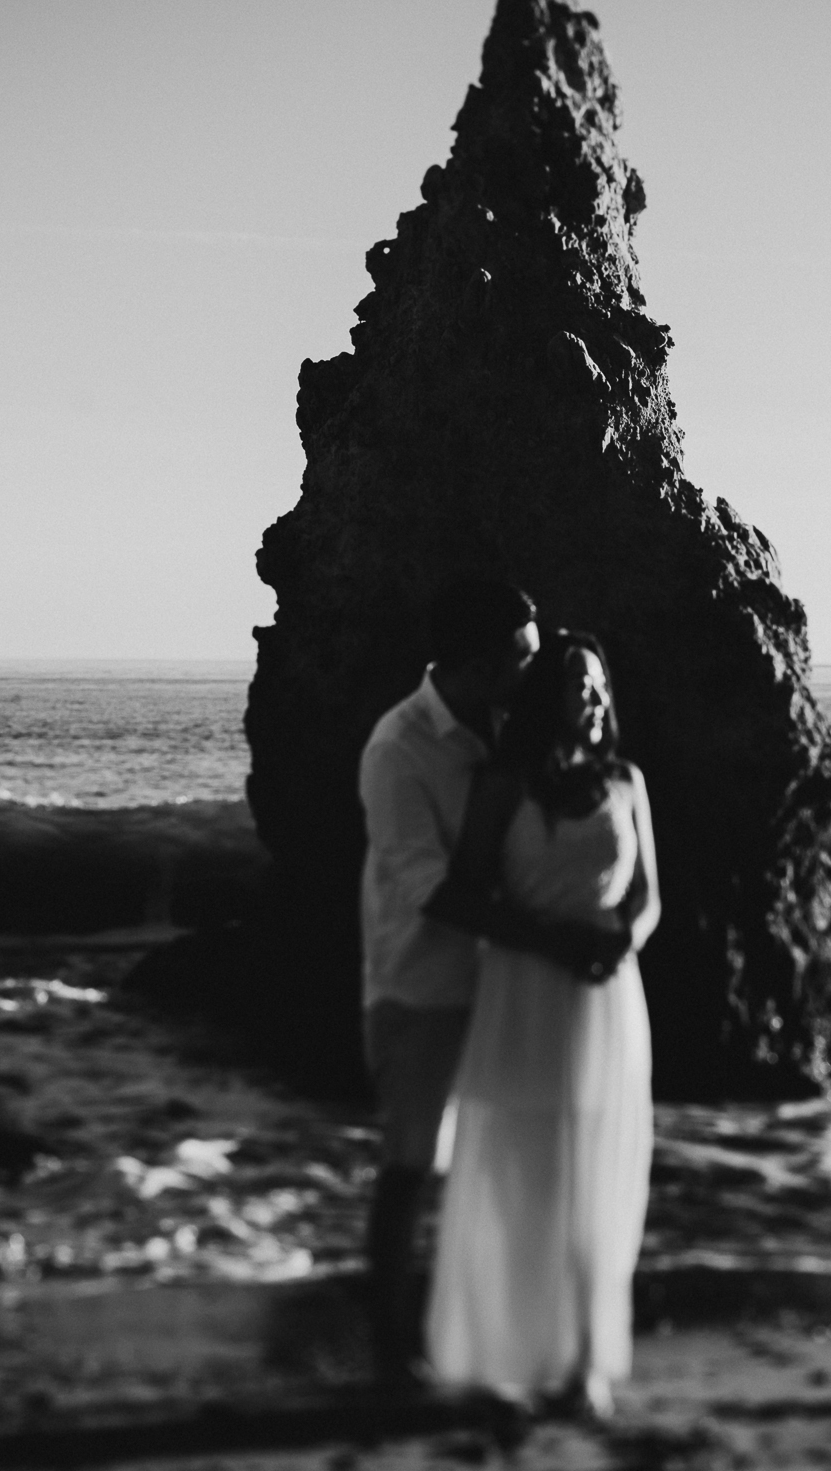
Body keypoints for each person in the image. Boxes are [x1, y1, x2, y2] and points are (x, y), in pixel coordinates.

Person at [423, 630, 660, 1418]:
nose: (592, 699)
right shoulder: (502, 784)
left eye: (599, 686)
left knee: (597, 1180)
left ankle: (583, 1364)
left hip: (606, 999)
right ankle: (507, 1357)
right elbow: (460, 896)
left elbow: (648, 898)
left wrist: (620, 939)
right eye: (576, 686)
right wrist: (549, 939)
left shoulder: (627, 782)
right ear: (542, 701)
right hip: (524, 995)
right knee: (523, 1178)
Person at [357, 575, 539, 1388]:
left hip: (504, 984)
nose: (535, 673)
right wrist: (551, 940)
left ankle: (482, 1327)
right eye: (523, 659)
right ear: (477, 663)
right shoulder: (400, 748)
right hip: (421, 985)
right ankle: (393, 1348)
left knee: (497, 1164)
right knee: (411, 1165)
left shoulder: (510, 729)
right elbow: (426, 887)